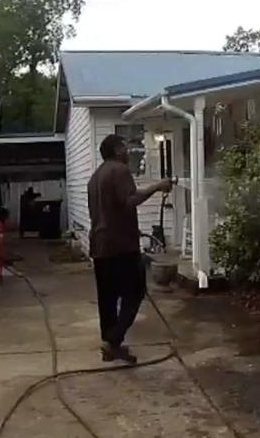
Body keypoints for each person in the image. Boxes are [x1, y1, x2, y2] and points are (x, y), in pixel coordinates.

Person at [88, 134, 172, 363]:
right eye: (125, 147)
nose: (128, 151)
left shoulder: (95, 177)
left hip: (99, 245)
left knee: (107, 298)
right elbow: (130, 201)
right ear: (116, 150)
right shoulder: (119, 171)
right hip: (120, 245)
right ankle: (112, 340)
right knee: (135, 292)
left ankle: (111, 345)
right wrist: (157, 186)